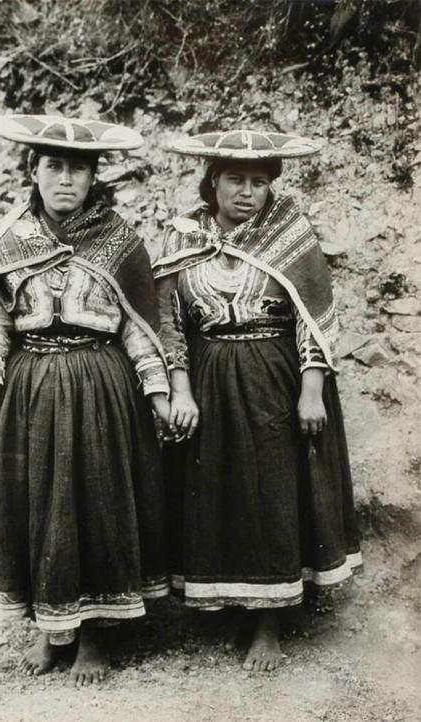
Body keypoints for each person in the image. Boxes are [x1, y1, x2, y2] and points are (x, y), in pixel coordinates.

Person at [0, 115, 171, 685]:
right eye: (54, 166)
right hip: (29, 390)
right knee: (34, 504)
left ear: (94, 175)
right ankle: (53, 632)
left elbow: (137, 326)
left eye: (78, 167)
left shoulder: (119, 241)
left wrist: (156, 391)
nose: (66, 179)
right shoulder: (9, 240)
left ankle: (96, 637)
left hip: (101, 386)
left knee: (94, 502)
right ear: (34, 171)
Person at [154, 129, 362, 672]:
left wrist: (311, 391)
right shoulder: (181, 239)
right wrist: (179, 387)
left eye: (259, 182)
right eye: (235, 180)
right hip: (208, 380)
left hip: (276, 377)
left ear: (271, 187)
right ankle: (230, 608)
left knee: (271, 491)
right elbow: (168, 323)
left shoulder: (290, 237)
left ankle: (270, 624)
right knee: (217, 490)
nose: (247, 192)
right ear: (212, 182)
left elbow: (314, 319)